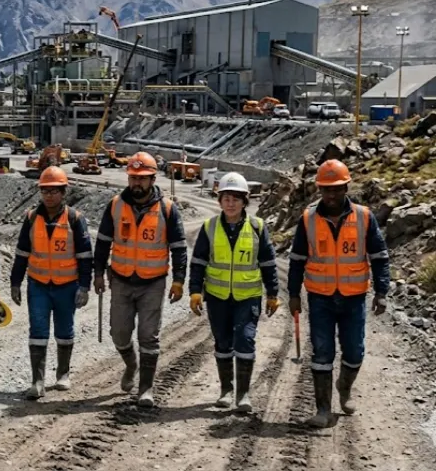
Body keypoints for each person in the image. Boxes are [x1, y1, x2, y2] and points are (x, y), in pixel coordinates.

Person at [288, 159, 389, 428]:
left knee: (354, 352)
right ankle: (323, 409)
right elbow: (297, 258)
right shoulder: (308, 219)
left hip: (353, 297)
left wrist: (381, 291)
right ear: (319, 189)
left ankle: (344, 388)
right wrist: (293, 293)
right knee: (322, 352)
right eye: (326, 190)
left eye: (336, 189)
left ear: (346, 187)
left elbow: (379, 256)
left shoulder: (364, 217)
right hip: (319, 297)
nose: (331, 195)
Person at [93, 151, 188, 407]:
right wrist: (99, 272)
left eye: (142, 178)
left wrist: (179, 280)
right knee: (119, 334)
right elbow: (102, 243)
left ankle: (145, 389)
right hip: (121, 281)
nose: (137, 183)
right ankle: (131, 364)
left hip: (153, 283)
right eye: (133, 178)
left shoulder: (167, 210)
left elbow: (179, 247)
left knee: (149, 335)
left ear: (153, 179)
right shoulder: (115, 206)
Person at [188, 172, 279, 413]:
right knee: (223, 342)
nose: (230, 203)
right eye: (226, 198)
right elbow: (198, 262)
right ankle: (226, 390)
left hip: (247, 298)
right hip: (217, 297)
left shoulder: (257, 227)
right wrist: (195, 291)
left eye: (236, 199)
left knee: (245, 339)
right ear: (219, 201)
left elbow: (268, 262)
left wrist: (272, 293)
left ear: (244, 201)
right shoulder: (210, 227)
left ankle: (243, 394)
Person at [10, 166, 93, 399]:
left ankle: (63, 374)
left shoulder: (75, 220)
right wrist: (15, 282)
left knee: (64, 331)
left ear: (63, 192)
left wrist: (84, 287)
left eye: (54, 191)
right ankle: (37, 381)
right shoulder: (31, 218)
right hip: (38, 285)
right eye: (45, 191)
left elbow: (85, 256)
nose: (49, 196)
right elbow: (22, 254)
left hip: (67, 285)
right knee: (37, 330)